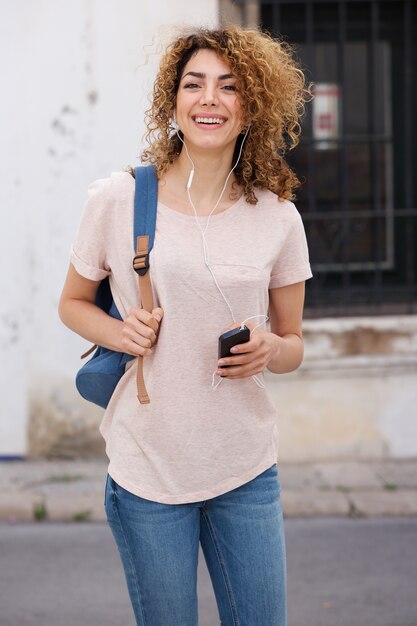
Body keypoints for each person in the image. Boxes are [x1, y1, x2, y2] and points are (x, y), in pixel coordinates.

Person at [59, 25, 312, 626]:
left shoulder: (278, 217)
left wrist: (269, 350)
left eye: (229, 87)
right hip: (148, 468)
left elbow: (295, 344)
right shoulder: (118, 199)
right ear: (172, 101)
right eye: (193, 84)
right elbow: (72, 303)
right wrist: (122, 334)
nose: (209, 99)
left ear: (252, 104)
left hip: (245, 468)